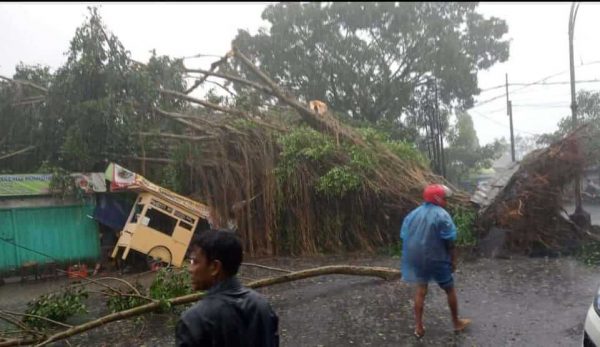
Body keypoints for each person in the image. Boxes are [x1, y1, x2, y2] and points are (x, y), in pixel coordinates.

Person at [175, 229, 279, 347]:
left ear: (215, 267)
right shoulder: (262, 306)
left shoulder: (194, 320)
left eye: (194, 261)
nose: (190, 269)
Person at [400, 184, 471, 339]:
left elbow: (404, 235)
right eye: (445, 198)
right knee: (449, 289)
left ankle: (418, 327)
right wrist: (453, 260)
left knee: (421, 290)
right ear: (438, 198)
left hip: (418, 258)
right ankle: (456, 322)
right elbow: (449, 240)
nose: (446, 201)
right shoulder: (442, 215)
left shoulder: (413, 214)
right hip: (436, 258)